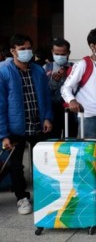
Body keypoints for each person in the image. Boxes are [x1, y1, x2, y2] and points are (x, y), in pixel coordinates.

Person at [0, 34, 53, 214]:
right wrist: (3, 134)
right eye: (22, 49)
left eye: (28, 48)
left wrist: (47, 117)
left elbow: (46, 97)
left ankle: (44, 194)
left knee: (42, 162)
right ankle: (22, 198)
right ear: (13, 51)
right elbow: (0, 104)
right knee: (16, 165)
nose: (26, 52)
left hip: (38, 124)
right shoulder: (3, 71)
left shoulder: (38, 70)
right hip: (15, 127)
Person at [61, 27, 96, 202]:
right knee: (86, 156)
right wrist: (72, 101)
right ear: (92, 46)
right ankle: (85, 193)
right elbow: (65, 88)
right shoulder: (82, 64)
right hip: (88, 118)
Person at [44, 38, 77, 138]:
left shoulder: (75, 68)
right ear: (52, 52)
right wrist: (54, 82)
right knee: (53, 142)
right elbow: (44, 92)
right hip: (53, 111)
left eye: (63, 54)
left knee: (71, 141)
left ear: (68, 53)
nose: (60, 57)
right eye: (57, 54)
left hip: (71, 110)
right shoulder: (46, 68)